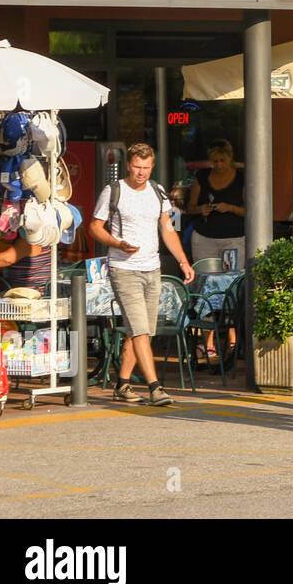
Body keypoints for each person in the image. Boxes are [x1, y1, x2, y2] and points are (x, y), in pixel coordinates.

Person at [88, 143, 195, 407]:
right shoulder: (114, 191)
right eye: (137, 167)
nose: (141, 173)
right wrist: (117, 244)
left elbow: (167, 229)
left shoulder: (158, 191)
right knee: (140, 332)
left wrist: (183, 261)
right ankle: (155, 387)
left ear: (153, 166)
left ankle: (122, 384)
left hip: (152, 267)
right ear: (128, 165)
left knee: (143, 331)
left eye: (146, 168)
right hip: (124, 269)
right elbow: (94, 227)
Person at [185, 139, 246, 358]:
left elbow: (250, 210)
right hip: (205, 237)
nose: (219, 165)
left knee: (232, 286)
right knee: (205, 287)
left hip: (234, 238)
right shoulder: (203, 177)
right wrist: (201, 209)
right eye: (215, 161)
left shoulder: (241, 177)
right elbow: (190, 207)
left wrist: (229, 208)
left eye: (222, 161)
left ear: (230, 159)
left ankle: (233, 340)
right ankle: (207, 342)